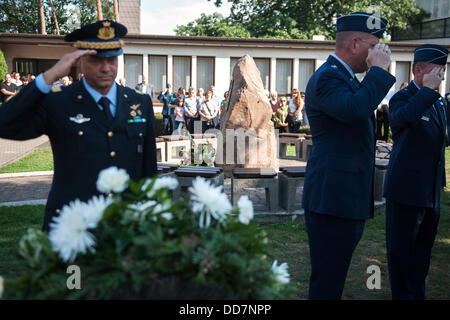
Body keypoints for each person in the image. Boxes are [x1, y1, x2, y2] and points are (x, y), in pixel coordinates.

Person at [0, 19, 158, 232]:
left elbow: (148, 168)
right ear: (79, 61)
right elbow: (5, 123)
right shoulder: (58, 102)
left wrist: (151, 217)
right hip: (73, 225)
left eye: (112, 60)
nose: (106, 68)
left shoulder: (139, 102)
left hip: (126, 225)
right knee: (73, 269)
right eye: (96, 60)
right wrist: (49, 76)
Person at [301, 12, 395, 300]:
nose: (378, 53)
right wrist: (378, 72)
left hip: (344, 197)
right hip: (333, 199)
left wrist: (373, 74)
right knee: (328, 280)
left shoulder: (346, 78)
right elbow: (355, 109)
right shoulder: (328, 77)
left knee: (334, 276)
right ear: (355, 43)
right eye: (374, 46)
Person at [383, 44, 448, 300]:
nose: (441, 77)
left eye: (443, 71)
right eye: (436, 70)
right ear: (417, 70)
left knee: (421, 257)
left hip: (430, 194)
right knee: (401, 258)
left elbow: (441, 141)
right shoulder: (404, 97)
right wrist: (429, 91)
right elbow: (404, 119)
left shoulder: (438, 102)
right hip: (406, 192)